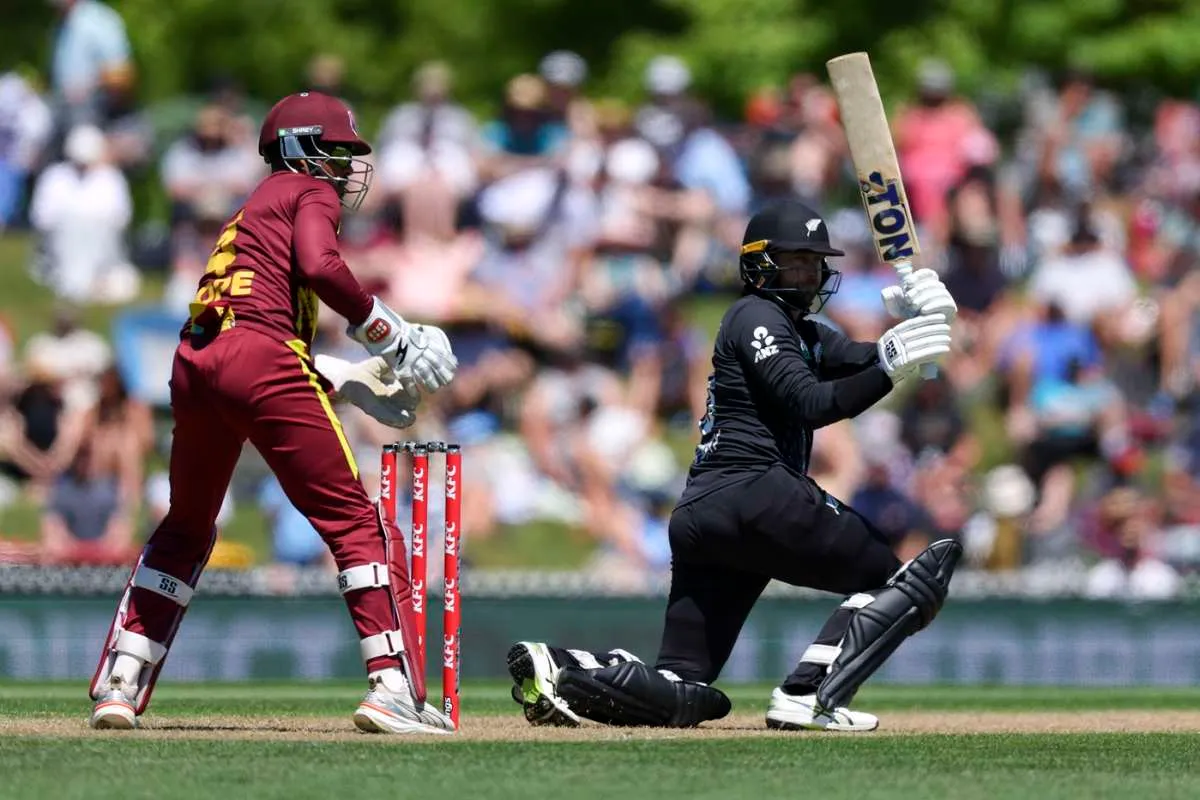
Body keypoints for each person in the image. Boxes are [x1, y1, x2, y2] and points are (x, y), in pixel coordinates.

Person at [504, 201, 962, 731]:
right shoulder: (754, 315)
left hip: (706, 514)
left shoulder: (804, 331)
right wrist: (891, 362)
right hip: (757, 490)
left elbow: (863, 357)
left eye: (814, 264)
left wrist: (922, 321)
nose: (807, 275)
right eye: (793, 262)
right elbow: (813, 402)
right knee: (899, 580)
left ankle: (562, 668)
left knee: (685, 688)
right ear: (757, 264)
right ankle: (808, 696)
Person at [87, 91, 458, 734]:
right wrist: (387, 334)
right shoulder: (302, 189)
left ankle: (122, 680)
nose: (344, 168)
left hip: (196, 360)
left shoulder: (249, 212)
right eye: (337, 152)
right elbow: (317, 269)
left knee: (186, 526)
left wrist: (337, 374)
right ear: (302, 148)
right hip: (259, 359)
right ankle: (391, 687)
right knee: (357, 525)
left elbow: (237, 340)